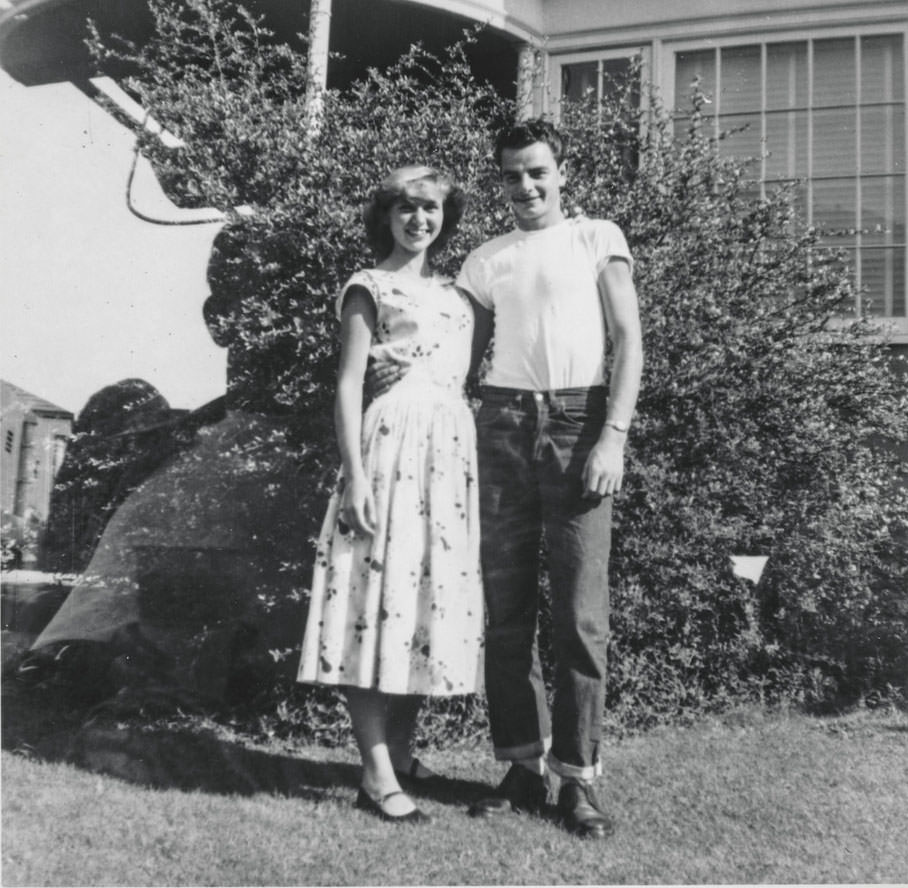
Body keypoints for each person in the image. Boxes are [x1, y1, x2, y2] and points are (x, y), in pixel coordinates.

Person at [457, 118, 643, 838]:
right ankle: (521, 765)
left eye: (537, 171)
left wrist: (612, 438)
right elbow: (460, 361)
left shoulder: (598, 237)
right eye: (511, 174)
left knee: (579, 615)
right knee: (505, 613)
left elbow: (628, 340)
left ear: (561, 173)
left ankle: (578, 779)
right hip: (500, 426)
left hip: (580, 423)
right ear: (500, 180)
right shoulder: (486, 259)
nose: (525, 186)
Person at [297, 166, 485, 824]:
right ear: (386, 215)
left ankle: (400, 757)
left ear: (444, 216)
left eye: (431, 208)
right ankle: (377, 773)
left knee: (420, 602)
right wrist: (355, 476)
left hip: (448, 454)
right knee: (372, 602)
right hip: (389, 450)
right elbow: (349, 385)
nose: (419, 220)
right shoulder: (368, 286)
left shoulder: (460, 297)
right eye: (406, 208)